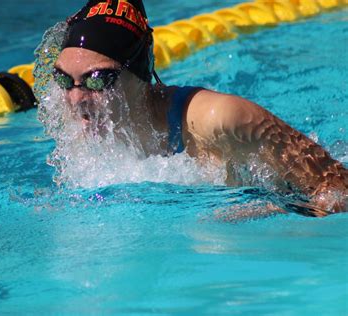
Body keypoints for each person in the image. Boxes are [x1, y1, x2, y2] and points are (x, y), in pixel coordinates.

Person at [44, 0, 347, 216]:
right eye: (64, 79)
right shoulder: (93, 122)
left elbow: (338, 191)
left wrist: (262, 210)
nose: (76, 99)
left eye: (98, 80)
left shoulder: (219, 119)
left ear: (140, 76)